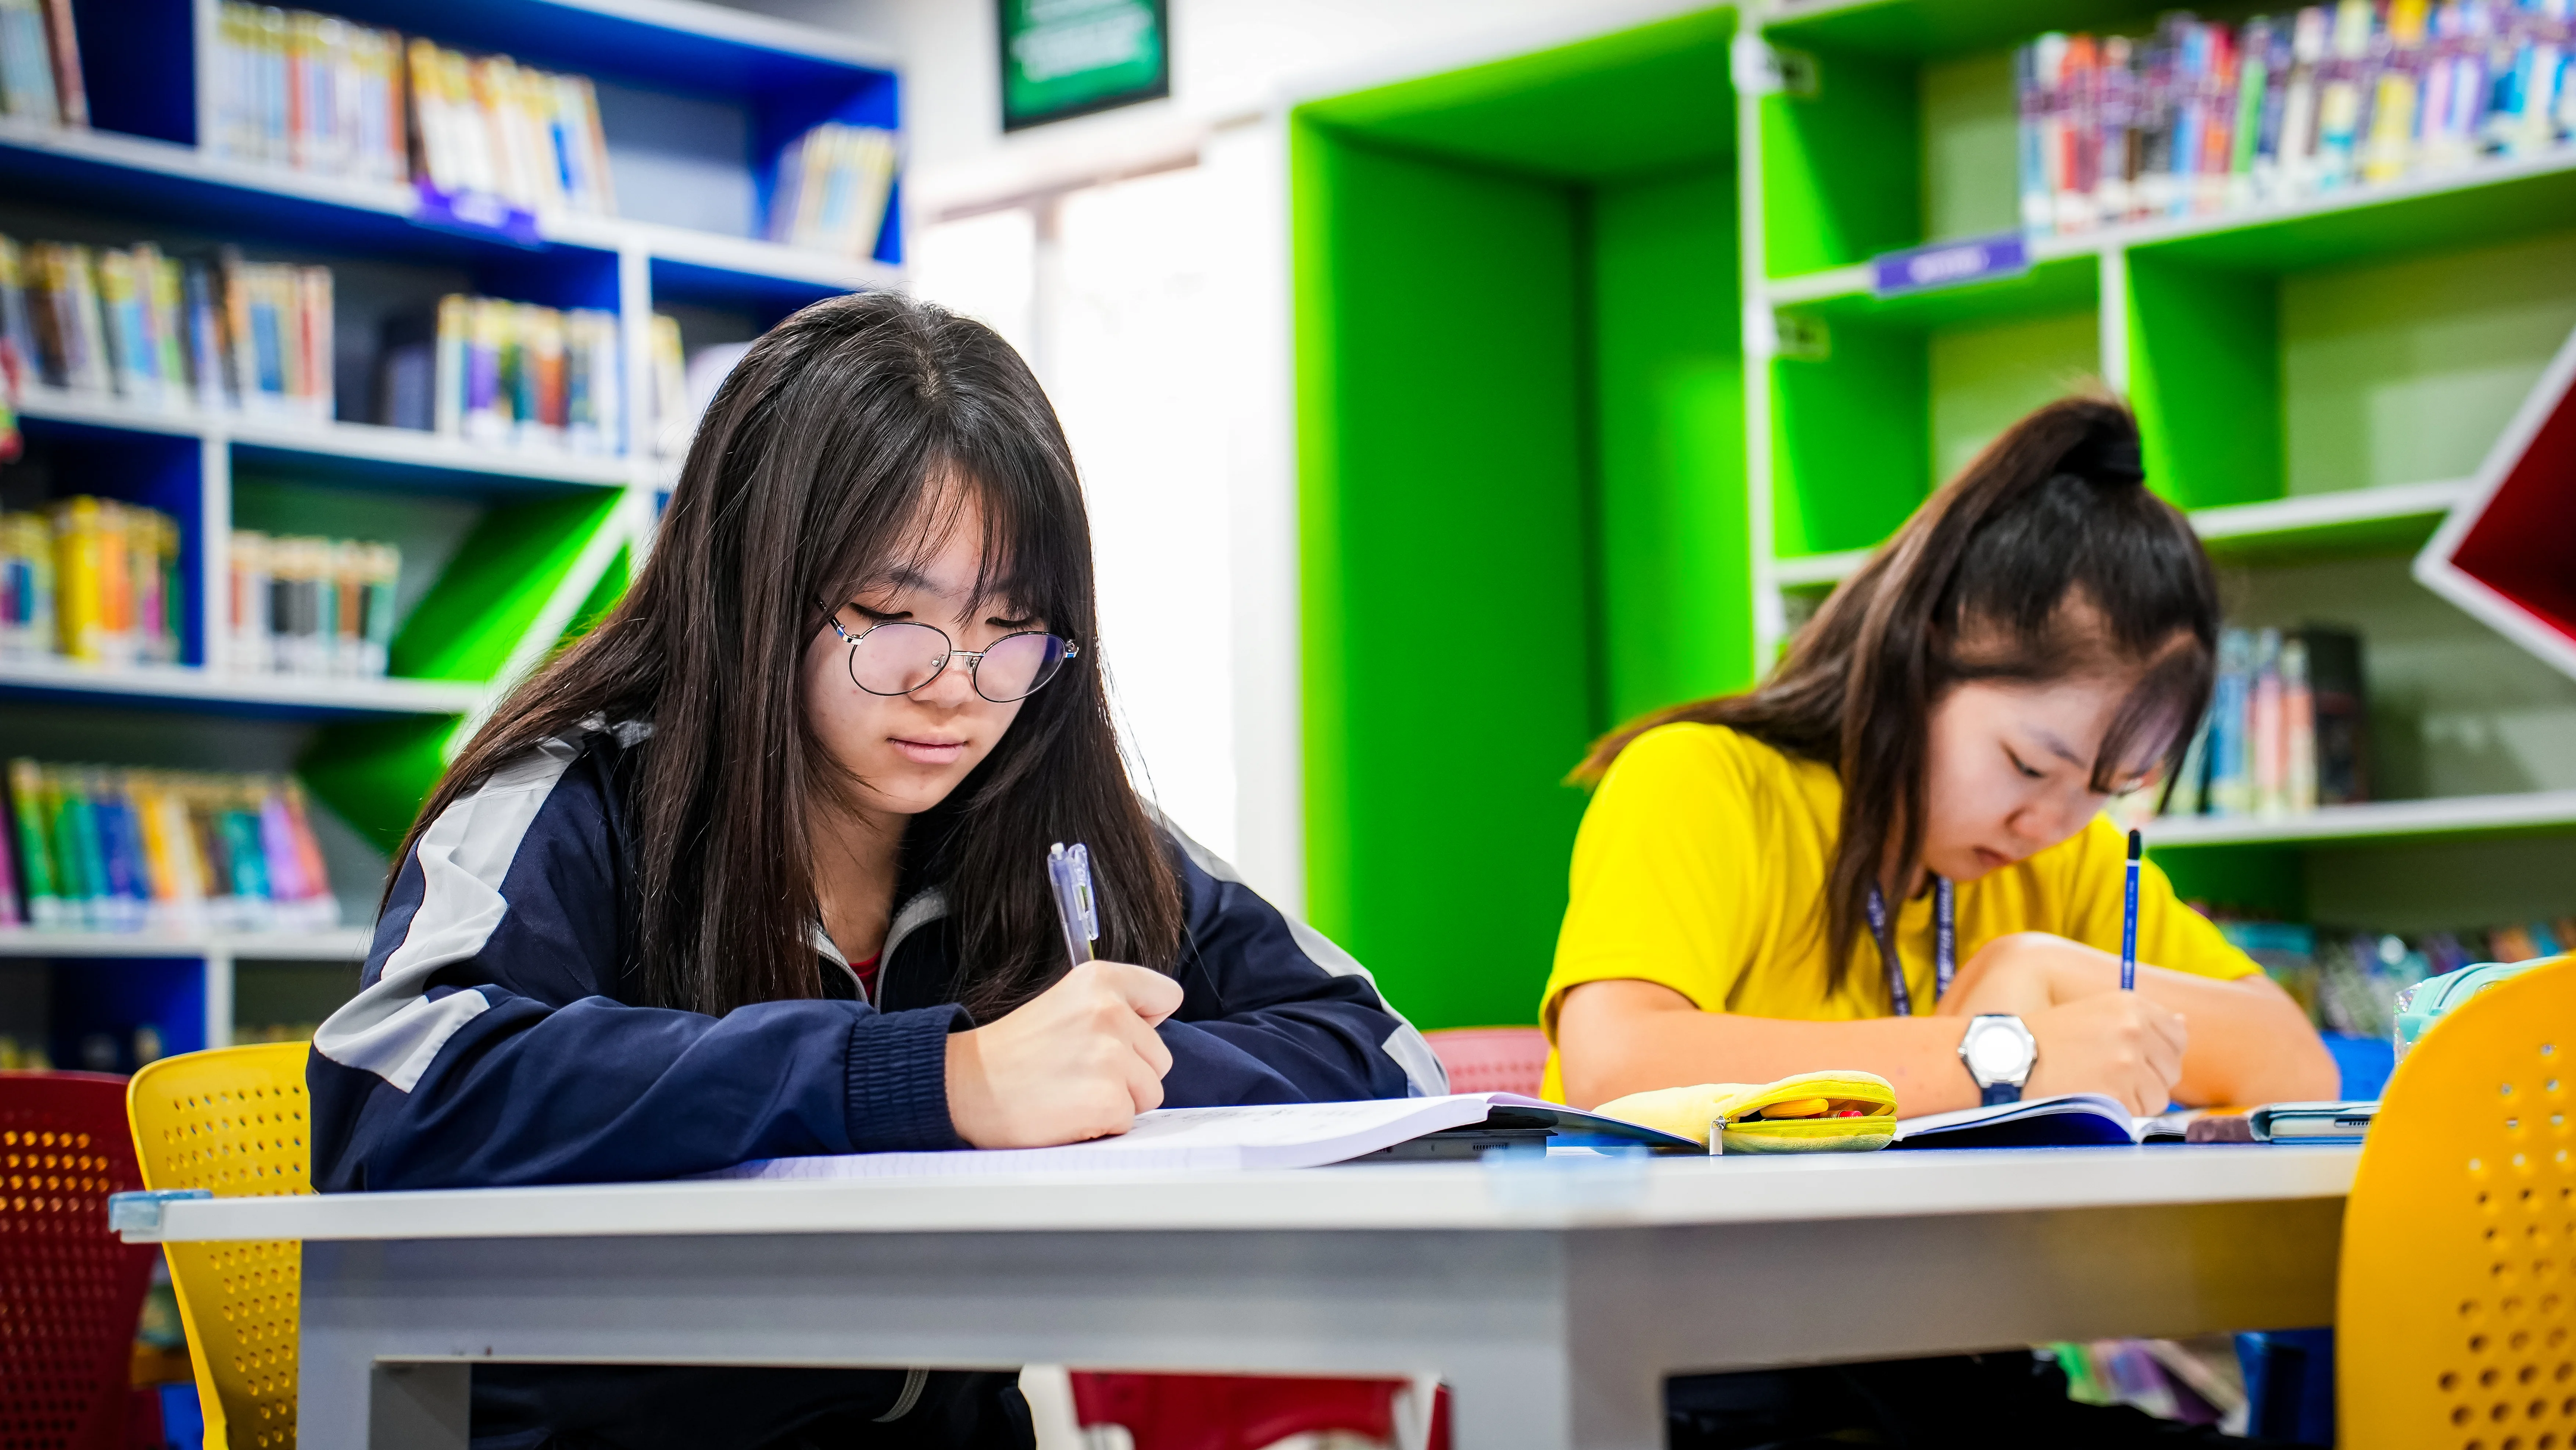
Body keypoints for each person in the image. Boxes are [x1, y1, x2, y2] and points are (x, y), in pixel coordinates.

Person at [306, 291, 1442, 1450]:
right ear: (751, 589)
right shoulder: (577, 797)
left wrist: (1098, 1079)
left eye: (1013, 627)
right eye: (891, 615)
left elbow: (1385, 1058)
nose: (957, 685)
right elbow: (394, 1098)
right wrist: (927, 1080)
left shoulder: (1051, 814)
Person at [1541, 396, 2337, 1449]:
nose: (2050, 821)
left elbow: (2294, 1070)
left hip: (1957, 1371)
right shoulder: (1702, 784)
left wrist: (2037, 963)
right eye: (2029, 764)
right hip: (1695, 1379)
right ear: (1921, 657)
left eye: (2106, 791)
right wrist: (2004, 1053)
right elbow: (1620, 1069)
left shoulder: (2062, 857)